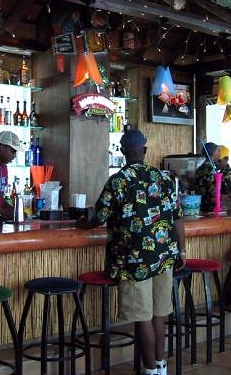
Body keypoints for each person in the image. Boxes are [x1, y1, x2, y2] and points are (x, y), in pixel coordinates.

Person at [76, 129, 185, 375]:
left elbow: (99, 216)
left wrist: (81, 224)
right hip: (164, 255)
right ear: (144, 150)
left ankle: (150, 370)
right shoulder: (164, 178)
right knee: (159, 314)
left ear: (123, 152)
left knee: (143, 316)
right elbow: (178, 217)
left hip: (134, 259)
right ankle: (160, 367)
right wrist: (182, 251)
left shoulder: (119, 180)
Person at [195, 143, 231, 212]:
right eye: (218, 151)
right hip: (210, 208)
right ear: (213, 153)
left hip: (200, 206)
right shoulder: (211, 170)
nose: (219, 153)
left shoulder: (199, 169)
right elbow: (213, 194)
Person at [0, 131, 21, 218]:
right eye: (13, 151)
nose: (14, 156)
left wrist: (15, 210)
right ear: (2, 148)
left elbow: (0, 199)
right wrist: (5, 212)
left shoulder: (3, 168)